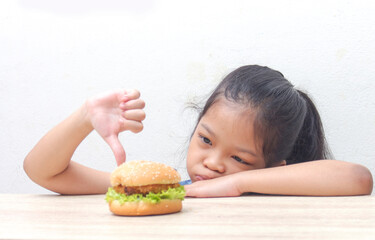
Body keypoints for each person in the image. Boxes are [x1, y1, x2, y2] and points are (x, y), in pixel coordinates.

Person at [24, 65, 373, 196]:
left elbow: (358, 179)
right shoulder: (174, 190)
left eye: (239, 158)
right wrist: (84, 117)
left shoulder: (280, 196)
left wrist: (238, 183)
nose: (214, 164)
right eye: (205, 139)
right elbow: (43, 172)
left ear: (274, 168)